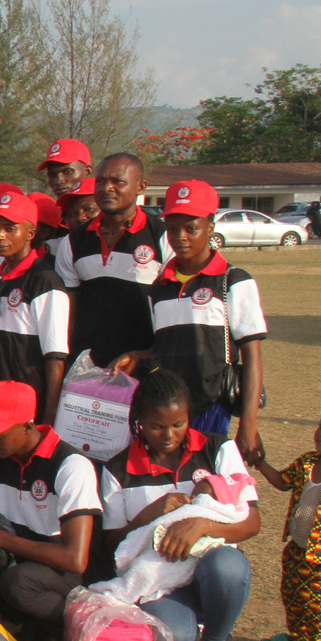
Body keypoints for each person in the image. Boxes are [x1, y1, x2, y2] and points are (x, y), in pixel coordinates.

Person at [98, 369, 258, 641]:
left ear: (189, 417)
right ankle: (192, 629)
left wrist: (201, 525)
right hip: (161, 579)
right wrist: (151, 513)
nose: (169, 435)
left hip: (210, 567)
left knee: (228, 566)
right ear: (139, 420)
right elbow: (114, 543)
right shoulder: (117, 470)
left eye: (178, 424)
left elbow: (251, 522)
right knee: (177, 637)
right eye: (157, 426)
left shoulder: (218, 450)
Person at [111, 180, 266, 451]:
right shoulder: (160, 288)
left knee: (205, 483)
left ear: (211, 227)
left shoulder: (233, 281)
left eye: (191, 228)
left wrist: (249, 424)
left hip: (212, 407)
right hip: (168, 411)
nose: (180, 236)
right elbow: (164, 345)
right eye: (172, 229)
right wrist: (137, 356)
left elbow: (252, 355)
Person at [0, 381, 100, 641]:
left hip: (64, 573)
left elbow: (75, 560)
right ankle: (34, 622)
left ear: (26, 426)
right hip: (18, 556)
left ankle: (78, 639)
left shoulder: (72, 466)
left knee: (20, 582)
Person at [54, 153, 171, 368]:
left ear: (141, 187)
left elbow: (172, 312)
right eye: (101, 181)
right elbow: (67, 314)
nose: (107, 188)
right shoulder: (72, 242)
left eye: (118, 181)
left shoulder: (162, 237)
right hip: (87, 367)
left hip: (142, 365)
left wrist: (148, 356)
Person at [250, 401, 321, 641]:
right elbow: (282, 481)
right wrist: (260, 462)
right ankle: (298, 639)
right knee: (292, 594)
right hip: (297, 549)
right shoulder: (307, 462)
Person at [0, 187, 69, 420]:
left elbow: (55, 357)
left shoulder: (45, 280)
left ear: (30, 233)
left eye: (10, 229)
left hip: (27, 409)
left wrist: (48, 418)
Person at [39, 138, 92, 203]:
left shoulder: (103, 209)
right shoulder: (54, 211)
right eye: (52, 174)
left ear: (86, 172)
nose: (58, 181)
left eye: (67, 171)